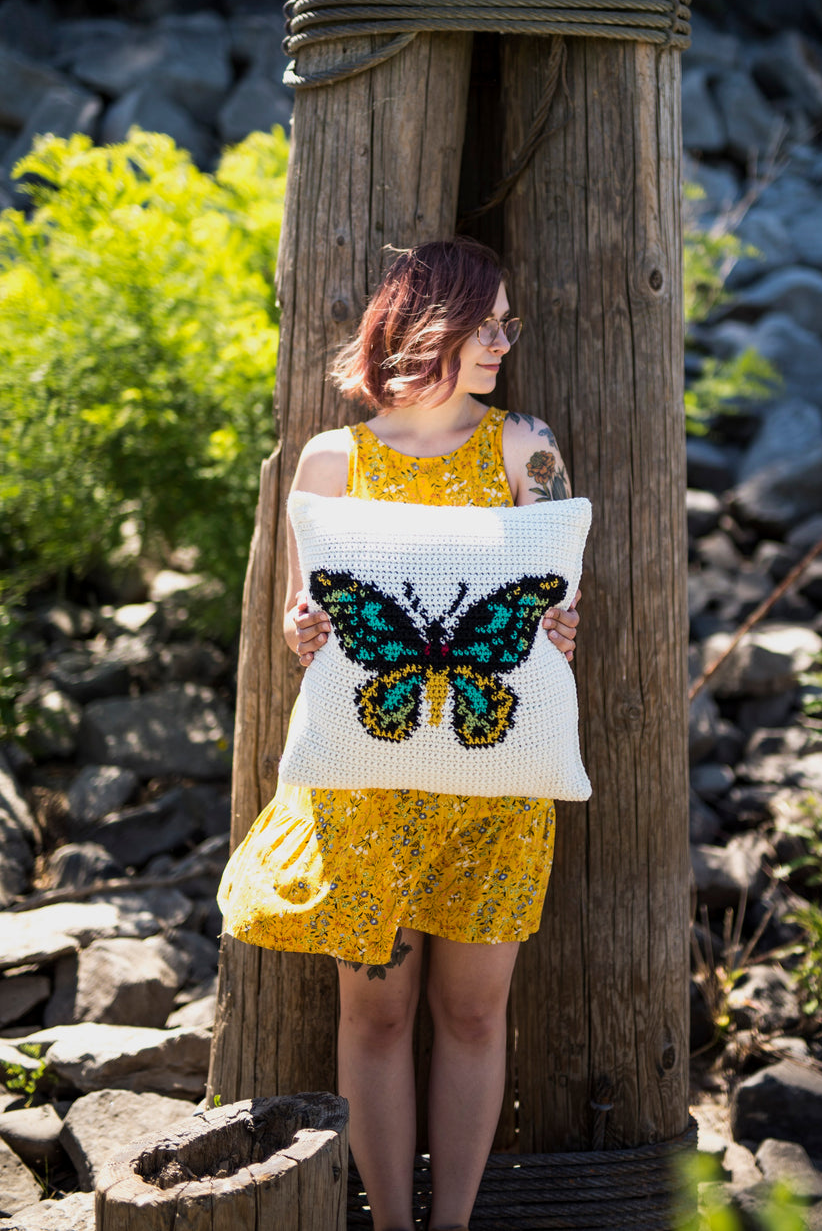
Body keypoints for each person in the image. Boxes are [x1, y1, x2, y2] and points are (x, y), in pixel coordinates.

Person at [218, 237, 581, 1231]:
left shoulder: (526, 447)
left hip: (492, 775)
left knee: (471, 1012)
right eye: (487, 323)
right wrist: (302, 628)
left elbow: (554, 601)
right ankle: (386, 1222)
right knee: (374, 1011)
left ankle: (451, 1224)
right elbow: (308, 622)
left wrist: (558, 622)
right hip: (365, 779)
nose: (503, 341)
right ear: (430, 326)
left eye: (510, 323)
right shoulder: (333, 459)